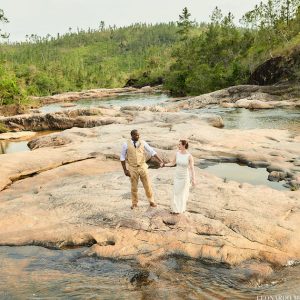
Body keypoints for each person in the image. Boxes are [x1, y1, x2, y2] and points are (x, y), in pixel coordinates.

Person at [120, 129, 164, 209]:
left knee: (147, 185)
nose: (138, 136)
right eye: (136, 135)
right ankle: (134, 203)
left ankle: (151, 201)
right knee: (134, 187)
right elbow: (122, 157)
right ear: (132, 135)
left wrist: (160, 160)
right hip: (132, 168)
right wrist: (125, 170)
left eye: (139, 135)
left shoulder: (143, 142)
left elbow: (152, 151)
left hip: (143, 167)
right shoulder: (125, 144)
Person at [164, 140, 196, 214]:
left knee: (182, 193)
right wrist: (164, 165)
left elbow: (192, 169)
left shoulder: (189, 156)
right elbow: (172, 163)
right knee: (175, 192)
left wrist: (193, 179)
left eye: (179, 145)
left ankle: (180, 210)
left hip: (184, 177)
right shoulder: (177, 154)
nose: (178, 146)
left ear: (184, 145)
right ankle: (175, 209)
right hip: (177, 176)